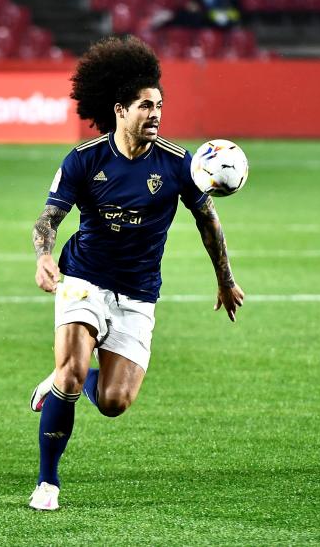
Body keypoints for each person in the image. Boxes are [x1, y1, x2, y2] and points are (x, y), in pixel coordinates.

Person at [27, 36, 244, 511]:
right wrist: (44, 256)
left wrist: (225, 279)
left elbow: (208, 221)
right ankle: (47, 483)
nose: (156, 113)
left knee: (113, 402)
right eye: (145, 105)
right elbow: (48, 219)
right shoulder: (84, 160)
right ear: (120, 109)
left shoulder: (178, 163)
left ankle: (65, 376)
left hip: (139, 291)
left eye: (160, 105)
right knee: (73, 373)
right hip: (84, 276)